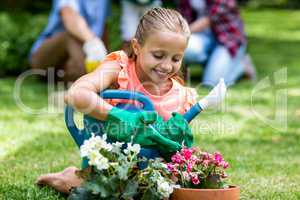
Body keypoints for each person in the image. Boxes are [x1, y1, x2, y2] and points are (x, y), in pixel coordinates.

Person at [36, 7, 198, 194]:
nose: (167, 65)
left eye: (176, 58)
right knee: (95, 191)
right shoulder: (119, 69)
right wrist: (118, 116)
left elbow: (174, 151)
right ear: (137, 47)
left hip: (150, 174)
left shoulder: (182, 96)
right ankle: (66, 178)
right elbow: (75, 94)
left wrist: (179, 146)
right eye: (158, 56)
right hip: (107, 165)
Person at [178, 0, 256, 86]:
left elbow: (208, 19)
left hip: (227, 39)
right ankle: (213, 63)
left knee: (212, 83)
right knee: (181, 46)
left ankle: (242, 66)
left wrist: (181, 34)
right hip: (201, 38)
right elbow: (182, 17)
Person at [29, 0, 110, 83]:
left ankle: (83, 77)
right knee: (71, 36)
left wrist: (105, 58)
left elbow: (103, 27)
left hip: (75, 59)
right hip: (46, 58)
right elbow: (69, 15)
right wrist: (93, 43)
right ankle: (90, 78)